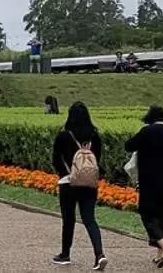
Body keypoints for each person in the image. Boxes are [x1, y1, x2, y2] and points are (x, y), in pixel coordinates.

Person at [125, 105, 163, 267]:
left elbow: (128, 146)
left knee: (147, 214)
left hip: (150, 182)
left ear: (150, 118)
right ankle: (161, 253)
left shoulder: (146, 132)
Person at [52, 102, 107, 270]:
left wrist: (65, 174)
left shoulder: (63, 136)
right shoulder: (94, 136)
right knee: (90, 219)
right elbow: (98, 160)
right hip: (89, 183)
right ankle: (99, 254)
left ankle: (65, 254)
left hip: (69, 182)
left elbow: (55, 159)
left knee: (68, 219)